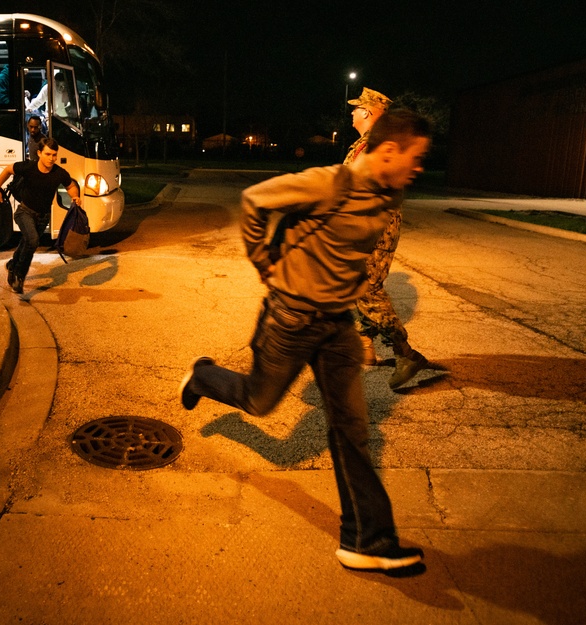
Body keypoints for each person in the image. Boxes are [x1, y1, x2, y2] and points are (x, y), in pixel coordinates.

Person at [180, 109, 432, 572]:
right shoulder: (331, 183)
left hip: (336, 327)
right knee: (260, 402)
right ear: (390, 150)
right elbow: (256, 199)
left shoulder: (388, 196)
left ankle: (367, 540)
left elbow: (353, 252)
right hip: (290, 319)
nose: (420, 168)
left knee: (352, 430)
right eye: (416, 157)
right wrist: (265, 264)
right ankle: (202, 377)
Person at [345, 91, 427, 387]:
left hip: (372, 229)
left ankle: (406, 354)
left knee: (367, 290)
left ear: (367, 112)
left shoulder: (374, 147)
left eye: (356, 110)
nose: (352, 114)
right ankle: (365, 346)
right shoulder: (366, 144)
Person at [0, 137, 82, 294]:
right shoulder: (29, 167)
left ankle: (13, 264)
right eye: (48, 154)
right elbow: (8, 169)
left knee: (27, 241)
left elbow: (70, 185)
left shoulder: (59, 173)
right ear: (39, 153)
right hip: (24, 212)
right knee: (33, 241)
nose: (51, 158)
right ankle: (19, 276)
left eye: (54, 155)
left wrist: (75, 196)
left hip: (43, 217)